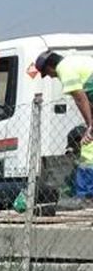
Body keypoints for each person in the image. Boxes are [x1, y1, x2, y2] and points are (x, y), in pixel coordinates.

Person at [30, 49, 93, 201]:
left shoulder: (64, 69)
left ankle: (84, 195)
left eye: (48, 73)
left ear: (50, 66)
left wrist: (90, 125)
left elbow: (80, 98)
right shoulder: (75, 62)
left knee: (88, 150)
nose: (51, 77)